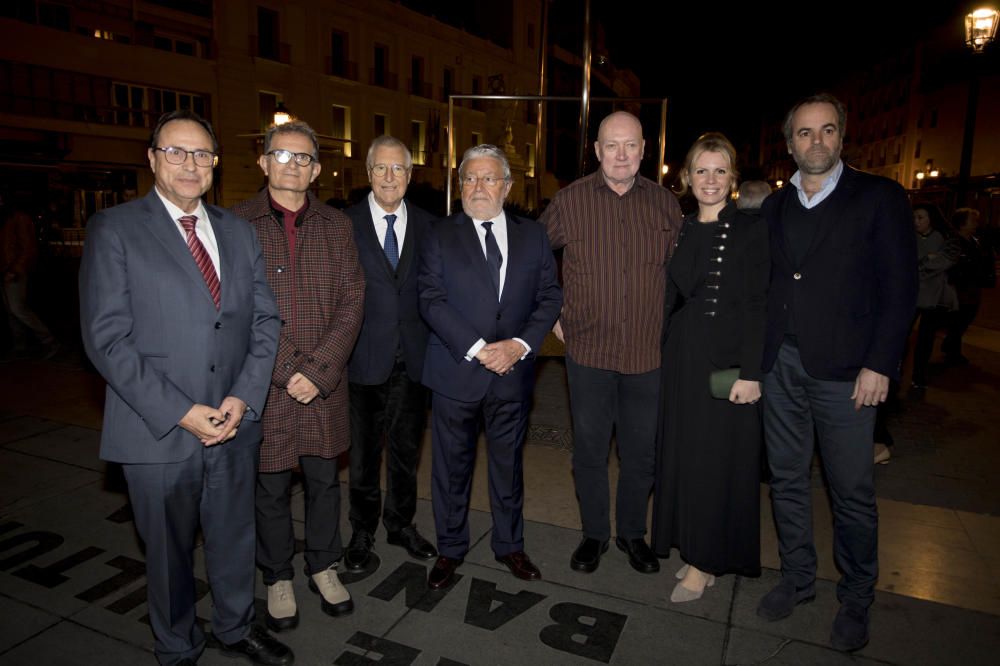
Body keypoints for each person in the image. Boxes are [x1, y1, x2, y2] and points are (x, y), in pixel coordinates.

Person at [79, 110, 293, 665]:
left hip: (233, 422)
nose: (189, 164)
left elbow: (264, 323)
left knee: (233, 538)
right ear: (152, 159)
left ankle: (235, 626)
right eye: (175, 151)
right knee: (169, 555)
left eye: (201, 154)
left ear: (216, 164)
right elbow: (106, 340)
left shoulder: (238, 232)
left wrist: (243, 398)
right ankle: (177, 647)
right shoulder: (116, 228)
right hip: (157, 430)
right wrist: (181, 411)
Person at [756, 94, 916, 653]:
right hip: (781, 369)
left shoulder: (879, 198)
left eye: (826, 131)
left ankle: (856, 597)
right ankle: (797, 579)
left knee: (851, 491)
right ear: (790, 142)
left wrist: (881, 363)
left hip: (849, 374)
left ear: (842, 138)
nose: (815, 142)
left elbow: (900, 291)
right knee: (787, 481)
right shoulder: (774, 208)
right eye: (804, 133)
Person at [232, 120, 365, 631]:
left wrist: (318, 369)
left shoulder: (337, 225)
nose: (295, 165)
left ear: (317, 168)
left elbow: (353, 299)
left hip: (324, 379)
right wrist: (287, 369)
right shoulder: (236, 222)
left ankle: (324, 566)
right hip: (264, 380)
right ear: (264, 162)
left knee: (324, 480)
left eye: (305, 158)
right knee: (268, 486)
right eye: (284, 156)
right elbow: (235, 306)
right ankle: (277, 574)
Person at [541, 110, 683, 575]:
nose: (621, 155)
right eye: (611, 145)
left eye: (630, 145)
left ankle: (632, 534)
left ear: (644, 150)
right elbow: (533, 259)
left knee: (641, 453)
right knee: (589, 449)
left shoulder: (666, 206)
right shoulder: (569, 201)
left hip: (648, 353)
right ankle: (594, 534)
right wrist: (552, 314)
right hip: (588, 353)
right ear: (597, 150)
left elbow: (684, 278)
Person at [418, 144, 562, 589]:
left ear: (507, 186)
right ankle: (450, 549)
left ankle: (510, 545)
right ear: (459, 185)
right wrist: (480, 348)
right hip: (456, 373)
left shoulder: (533, 235)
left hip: (512, 377)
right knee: (450, 470)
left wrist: (519, 345)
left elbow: (550, 296)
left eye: (488, 178)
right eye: (469, 179)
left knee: (508, 467)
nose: (478, 187)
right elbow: (431, 299)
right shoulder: (439, 234)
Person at [651, 132, 768, 603]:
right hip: (682, 357)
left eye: (721, 171)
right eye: (702, 170)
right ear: (687, 177)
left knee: (715, 462)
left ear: (733, 178)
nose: (711, 180)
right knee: (685, 456)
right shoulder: (679, 227)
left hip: (726, 362)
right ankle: (700, 550)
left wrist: (752, 372)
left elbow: (761, 304)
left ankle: (704, 561)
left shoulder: (751, 229)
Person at [343, 135, 437, 572]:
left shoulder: (429, 225)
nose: (389, 177)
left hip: (414, 361)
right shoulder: (344, 224)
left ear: (410, 175)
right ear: (368, 173)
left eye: (398, 169)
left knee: (405, 452)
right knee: (362, 457)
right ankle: (362, 530)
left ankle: (400, 524)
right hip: (362, 359)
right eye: (380, 168)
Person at [0, 195, 59, 359]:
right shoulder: (10, 218)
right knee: (12, 310)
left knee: (17, 308)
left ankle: (47, 340)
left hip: (13, 270)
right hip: (8, 269)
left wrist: (15, 269)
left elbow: (27, 247)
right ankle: (21, 346)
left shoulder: (17, 218)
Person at [910, 204, 959, 389]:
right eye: (914, 217)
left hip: (934, 296)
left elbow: (946, 261)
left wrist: (924, 264)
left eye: (921, 217)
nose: (916, 221)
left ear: (931, 218)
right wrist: (927, 260)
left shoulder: (944, 237)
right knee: (902, 335)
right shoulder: (908, 237)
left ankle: (919, 374)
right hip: (911, 294)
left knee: (926, 338)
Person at [942, 208, 993, 366]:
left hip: (972, 286)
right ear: (962, 224)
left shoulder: (974, 241)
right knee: (959, 319)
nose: (976, 224)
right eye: (973, 220)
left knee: (966, 317)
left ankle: (950, 345)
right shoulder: (954, 242)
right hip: (959, 287)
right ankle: (953, 351)